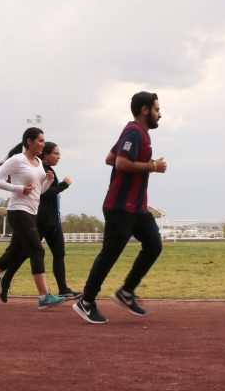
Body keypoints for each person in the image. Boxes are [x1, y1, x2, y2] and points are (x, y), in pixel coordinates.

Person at [73, 91, 167, 324]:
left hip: (136, 207)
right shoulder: (134, 132)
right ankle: (86, 301)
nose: (160, 114)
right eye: (156, 109)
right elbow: (120, 162)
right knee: (110, 254)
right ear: (145, 110)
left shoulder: (135, 132)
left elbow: (109, 158)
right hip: (120, 206)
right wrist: (153, 166)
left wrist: (143, 164)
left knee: (154, 245)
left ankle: (126, 291)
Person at [0, 128, 65, 310]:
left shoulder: (38, 162)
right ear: (29, 141)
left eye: (44, 141)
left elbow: (39, 191)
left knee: (13, 253)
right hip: (17, 211)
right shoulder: (17, 160)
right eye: (40, 141)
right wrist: (19, 189)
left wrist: (46, 181)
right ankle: (44, 296)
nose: (43, 144)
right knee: (38, 250)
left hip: (31, 212)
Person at [0, 142, 79, 302]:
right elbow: (44, 193)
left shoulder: (48, 170)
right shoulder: (40, 170)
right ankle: (4, 281)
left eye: (59, 153)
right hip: (39, 220)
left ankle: (64, 289)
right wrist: (64, 185)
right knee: (24, 253)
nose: (59, 156)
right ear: (45, 155)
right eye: (56, 153)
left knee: (59, 253)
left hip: (53, 221)